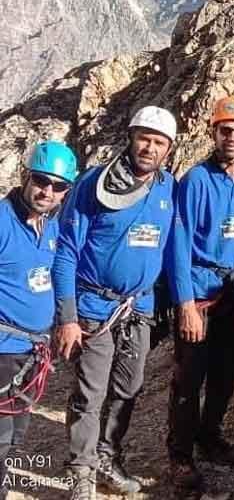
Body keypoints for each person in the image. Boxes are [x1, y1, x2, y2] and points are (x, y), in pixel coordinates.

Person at [53, 106, 178, 500]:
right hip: (94, 307)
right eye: (144, 138)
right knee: (90, 394)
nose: (149, 147)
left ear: (169, 149)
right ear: (130, 136)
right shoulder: (93, 184)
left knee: (128, 388)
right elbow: (66, 251)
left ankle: (108, 456)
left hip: (138, 308)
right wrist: (68, 317)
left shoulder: (167, 188)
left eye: (159, 142)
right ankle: (81, 472)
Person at [166, 97, 234, 491]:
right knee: (190, 379)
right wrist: (185, 304)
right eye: (226, 131)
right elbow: (179, 244)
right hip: (201, 296)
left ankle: (210, 437)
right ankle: (180, 456)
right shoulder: (196, 181)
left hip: (232, 294)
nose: (232, 138)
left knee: (225, 375)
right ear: (213, 132)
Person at [0, 141, 77, 500]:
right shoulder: (2, 221)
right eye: (42, 181)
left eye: (58, 186)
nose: (48, 191)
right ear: (25, 177)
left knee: (16, 434)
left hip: (33, 351)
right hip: (3, 351)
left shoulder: (49, 227)